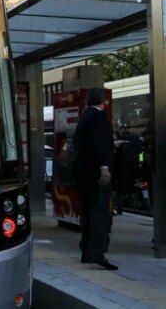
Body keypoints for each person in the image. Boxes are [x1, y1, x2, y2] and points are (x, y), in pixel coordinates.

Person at [73, 88, 117, 270]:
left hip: (82, 172)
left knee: (87, 209)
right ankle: (98, 251)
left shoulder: (84, 118)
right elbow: (99, 143)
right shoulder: (99, 117)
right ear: (103, 102)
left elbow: (84, 144)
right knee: (100, 210)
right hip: (95, 173)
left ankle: (86, 251)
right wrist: (104, 167)